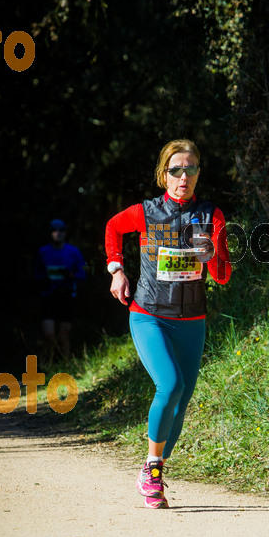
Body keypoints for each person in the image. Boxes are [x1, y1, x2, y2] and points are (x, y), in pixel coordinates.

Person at [105, 139, 232, 509]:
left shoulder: (212, 215)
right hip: (149, 315)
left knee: (182, 400)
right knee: (170, 384)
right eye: (176, 170)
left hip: (192, 320)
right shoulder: (146, 212)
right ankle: (154, 470)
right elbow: (113, 228)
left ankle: (153, 465)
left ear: (198, 174)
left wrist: (212, 253)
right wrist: (116, 269)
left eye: (190, 169)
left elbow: (222, 276)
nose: (183, 177)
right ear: (164, 175)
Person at [35, 219, 86, 361]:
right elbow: (36, 274)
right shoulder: (43, 252)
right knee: (49, 335)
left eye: (61, 230)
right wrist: (45, 277)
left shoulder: (73, 252)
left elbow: (83, 273)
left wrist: (71, 275)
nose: (58, 233)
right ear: (50, 233)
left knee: (64, 335)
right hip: (49, 296)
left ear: (65, 233)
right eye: (55, 230)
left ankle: (66, 366)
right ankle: (49, 366)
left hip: (67, 296)